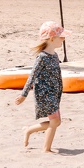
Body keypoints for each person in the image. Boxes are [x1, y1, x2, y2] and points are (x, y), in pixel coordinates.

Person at [15, 21, 70, 153]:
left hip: (54, 93)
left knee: (56, 122)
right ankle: (46, 149)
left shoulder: (55, 55)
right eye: (61, 37)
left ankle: (29, 130)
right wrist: (23, 95)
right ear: (52, 38)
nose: (63, 39)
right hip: (44, 94)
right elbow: (32, 76)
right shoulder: (42, 57)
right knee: (55, 121)